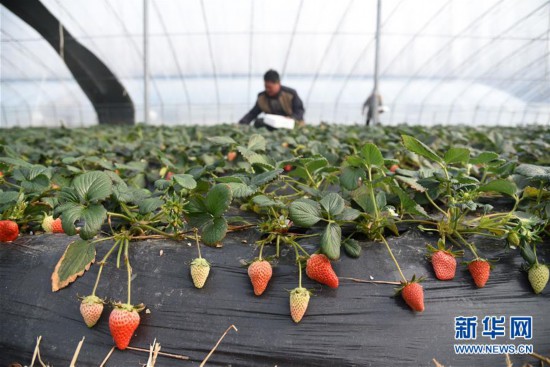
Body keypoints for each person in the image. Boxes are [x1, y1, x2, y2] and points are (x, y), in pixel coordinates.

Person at [239, 69, 305, 128]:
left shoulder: (290, 94)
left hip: (290, 124)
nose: (267, 89)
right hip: (272, 125)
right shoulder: (262, 97)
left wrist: (292, 118)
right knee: (258, 122)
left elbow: (299, 111)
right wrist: (241, 123)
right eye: (265, 86)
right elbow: (253, 113)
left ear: (278, 83)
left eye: (270, 87)